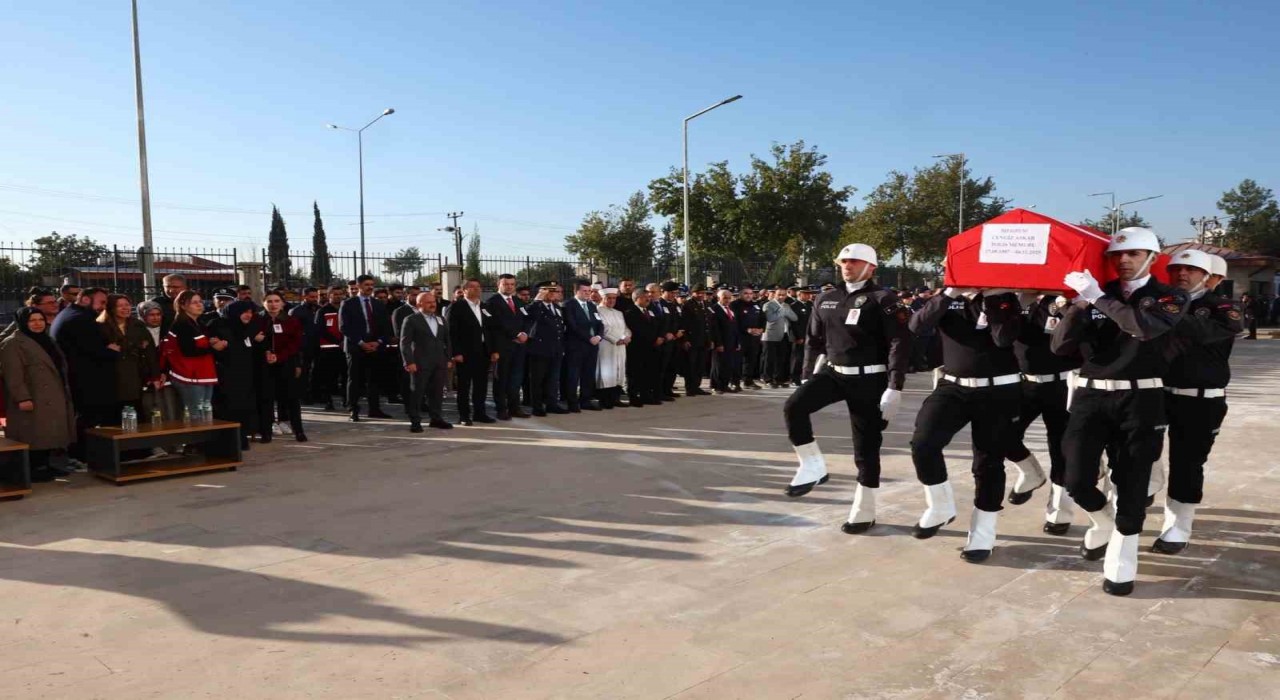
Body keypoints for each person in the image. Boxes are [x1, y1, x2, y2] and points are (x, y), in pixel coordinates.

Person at [1052, 227, 1188, 596]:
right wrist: (1079, 304)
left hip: (1141, 400)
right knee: (1076, 478)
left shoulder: (1170, 296)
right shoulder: (1097, 295)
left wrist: (1096, 297)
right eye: (1117, 255)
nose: (1124, 261)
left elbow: (1143, 328)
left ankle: (1122, 562)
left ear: (1152, 258)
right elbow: (1061, 346)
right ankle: (1102, 521)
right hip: (1090, 397)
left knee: (1131, 481)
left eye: (1133, 254)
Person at [783, 244, 912, 538]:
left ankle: (864, 510)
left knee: (866, 447)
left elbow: (899, 344)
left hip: (871, 379)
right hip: (834, 373)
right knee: (794, 406)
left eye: (854, 261)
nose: (847, 266)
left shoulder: (884, 300)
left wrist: (895, 386)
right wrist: (806, 376)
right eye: (843, 261)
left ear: (871, 267)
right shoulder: (827, 297)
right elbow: (814, 340)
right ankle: (812, 466)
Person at [906, 278, 1022, 562]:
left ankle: (983, 532)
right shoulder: (949, 298)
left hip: (998, 389)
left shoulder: (1006, 297)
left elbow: (1002, 338)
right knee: (924, 442)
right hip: (953, 386)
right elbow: (916, 326)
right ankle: (940, 506)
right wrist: (948, 293)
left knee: (988, 462)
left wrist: (993, 298)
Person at [1149, 249, 1241, 554]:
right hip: (1158, 393)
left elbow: (1205, 332)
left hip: (1200, 401)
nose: (1181, 275)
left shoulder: (1221, 307)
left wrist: (1166, 311)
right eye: (1175, 270)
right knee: (1138, 450)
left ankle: (1178, 526)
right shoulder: (1161, 301)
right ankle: (1150, 481)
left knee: (1187, 464)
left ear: (1206, 276)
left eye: (1190, 270)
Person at [1004, 293, 1079, 535]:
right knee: (1001, 434)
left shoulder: (1065, 300)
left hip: (1062, 384)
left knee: (1061, 450)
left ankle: (1059, 513)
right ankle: (1030, 473)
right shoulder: (1014, 300)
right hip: (1024, 384)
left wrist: (1066, 305)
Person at [0, 308, 77, 482]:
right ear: (22, 323)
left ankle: (48, 465)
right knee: (34, 434)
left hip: (52, 394)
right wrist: (22, 397)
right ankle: (34, 468)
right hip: (33, 396)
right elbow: (13, 374)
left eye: (40, 319)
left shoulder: (47, 340)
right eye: (32, 320)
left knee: (49, 432)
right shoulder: (13, 343)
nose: (37, 324)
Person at [50, 287, 119, 462]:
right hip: (86, 379)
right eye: (102, 302)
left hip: (80, 377)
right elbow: (96, 350)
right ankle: (80, 455)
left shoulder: (69, 314)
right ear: (87, 300)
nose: (103, 307)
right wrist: (112, 350)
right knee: (86, 418)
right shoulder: (80, 319)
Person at [444, 278, 499, 425]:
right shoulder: (456, 307)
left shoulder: (485, 307)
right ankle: (464, 415)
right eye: (472, 287)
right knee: (464, 386)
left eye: (478, 287)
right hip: (465, 353)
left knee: (481, 385)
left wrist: (494, 350)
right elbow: (451, 332)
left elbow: (491, 330)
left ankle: (480, 413)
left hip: (483, 351)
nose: (477, 289)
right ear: (465, 290)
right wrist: (456, 353)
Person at [339, 274, 392, 421]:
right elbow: (344, 327)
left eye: (372, 284)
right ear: (359, 286)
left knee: (374, 379)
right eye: (367, 284)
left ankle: (374, 409)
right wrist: (361, 343)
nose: (370, 287)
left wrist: (379, 342)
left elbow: (386, 327)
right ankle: (353, 409)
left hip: (375, 347)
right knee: (354, 379)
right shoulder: (348, 304)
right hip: (356, 347)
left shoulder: (378, 304)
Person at [211, 300, 263, 449]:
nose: (248, 315)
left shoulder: (249, 327)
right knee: (229, 408)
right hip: (227, 376)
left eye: (250, 312)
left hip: (246, 375)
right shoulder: (219, 326)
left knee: (244, 408)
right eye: (245, 312)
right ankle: (230, 441)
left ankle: (242, 438)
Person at [97, 293, 156, 425]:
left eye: (127, 305)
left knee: (135, 408)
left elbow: (149, 349)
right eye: (120, 306)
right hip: (112, 375)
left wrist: (154, 374)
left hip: (134, 373)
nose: (125, 308)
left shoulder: (137, 325)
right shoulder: (101, 326)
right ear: (111, 308)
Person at [163, 290, 221, 419]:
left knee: (206, 410)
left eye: (200, 301)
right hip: (189, 376)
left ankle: (206, 438)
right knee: (196, 413)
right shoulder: (182, 325)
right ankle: (196, 439)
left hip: (203, 374)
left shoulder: (198, 323)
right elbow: (188, 351)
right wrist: (213, 347)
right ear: (183, 306)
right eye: (194, 303)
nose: (199, 305)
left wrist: (211, 342)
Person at [401, 291, 454, 432]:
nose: (433, 304)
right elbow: (405, 343)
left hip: (439, 362)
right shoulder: (411, 320)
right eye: (428, 302)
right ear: (419, 304)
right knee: (417, 393)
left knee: (437, 392)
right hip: (419, 363)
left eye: (434, 301)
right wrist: (408, 362)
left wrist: (448, 358)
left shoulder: (440, 319)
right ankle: (415, 421)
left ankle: (436, 418)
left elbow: (447, 341)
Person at [260, 292, 307, 442]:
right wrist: (266, 353)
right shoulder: (258, 319)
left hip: (286, 363)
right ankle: (266, 432)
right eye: (269, 301)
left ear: (282, 303)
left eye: (276, 301)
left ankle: (298, 431)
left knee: (291, 398)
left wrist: (279, 357)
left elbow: (295, 343)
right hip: (264, 365)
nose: (273, 304)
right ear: (263, 303)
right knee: (266, 399)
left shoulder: (291, 320)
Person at [485, 273, 530, 420]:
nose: (509, 287)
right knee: (501, 380)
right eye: (506, 284)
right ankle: (501, 409)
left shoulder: (517, 301)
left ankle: (514, 407)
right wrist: (516, 335)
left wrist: (524, 333)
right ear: (498, 284)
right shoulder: (492, 302)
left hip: (519, 348)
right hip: (502, 348)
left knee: (516, 380)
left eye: (512, 284)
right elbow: (496, 324)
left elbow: (525, 319)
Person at [524, 281, 568, 416]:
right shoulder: (536, 306)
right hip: (540, 349)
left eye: (554, 291)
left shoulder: (556, 307)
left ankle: (552, 404)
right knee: (537, 380)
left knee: (553, 379)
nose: (552, 293)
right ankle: (537, 406)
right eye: (549, 290)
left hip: (555, 349)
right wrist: (538, 299)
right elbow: (530, 315)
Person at [563, 279, 604, 411]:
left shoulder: (592, 306)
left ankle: (585, 401)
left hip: (592, 346)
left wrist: (598, 336)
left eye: (589, 291)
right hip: (576, 346)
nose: (587, 293)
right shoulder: (568, 305)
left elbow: (600, 323)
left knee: (588, 374)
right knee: (573, 375)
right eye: (584, 291)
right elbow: (572, 325)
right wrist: (589, 338)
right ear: (576, 291)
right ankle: (572, 403)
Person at [136, 300, 181, 422]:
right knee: (152, 413)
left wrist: (164, 373)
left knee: (170, 411)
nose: (156, 318)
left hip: (167, 378)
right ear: (142, 316)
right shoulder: (137, 332)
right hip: (146, 380)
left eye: (158, 314)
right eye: (151, 315)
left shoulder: (169, 331)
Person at [623, 289, 663, 407]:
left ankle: (646, 395)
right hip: (637, 348)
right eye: (645, 297)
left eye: (649, 297)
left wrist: (659, 337)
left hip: (651, 348)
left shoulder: (649, 311)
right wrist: (653, 339)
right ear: (637, 298)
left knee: (648, 372)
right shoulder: (630, 312)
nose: (648, 299)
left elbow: (656, 325)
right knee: (635, 373)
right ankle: (634, 397)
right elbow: (637, 329)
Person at [595, 289, 631, 408]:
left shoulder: (618, 313)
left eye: (614, 298)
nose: (611, 300)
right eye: (608, 298)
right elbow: (604, 328)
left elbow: (625, 328)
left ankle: (616, 398)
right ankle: (605, 400)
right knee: (606, 373)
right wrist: (620, 338)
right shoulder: (598, 310)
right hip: (607, 346)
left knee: (618, 371)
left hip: (621, 347)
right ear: (602, 298)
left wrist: (627, 337)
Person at [312, 286, 346, 411]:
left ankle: (346, 400)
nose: (338, 296)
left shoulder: (346, 309)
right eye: (335, 294)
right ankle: (328, 401)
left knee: (346, 376)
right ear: (329, 295)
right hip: (328, 349)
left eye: (340, 294)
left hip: (345, 349)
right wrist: (338, 341)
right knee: (328, 377)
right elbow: (320, 330)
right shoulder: (322, 311)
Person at [679, 284, 713, 396]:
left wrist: (710, 339)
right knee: (691, 365)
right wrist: (685, 340)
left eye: (702, 293)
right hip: (692, 340)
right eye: (698, 293)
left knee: (700, 364)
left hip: (704, 339)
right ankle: (690, 387)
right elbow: (684, 324)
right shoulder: (688, 305)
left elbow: (708, 324)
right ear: (692, 293)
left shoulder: (706, 304)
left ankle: (697, 386)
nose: (701, 295)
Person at [762, 287, 798, 387]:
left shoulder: (786, 305)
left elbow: (794, 318)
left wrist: (787, 311)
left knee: (781, 358)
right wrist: (781, 312)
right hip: (771, 335)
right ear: (774, 294)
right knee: (770, 359)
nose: (781, 297)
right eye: (779, 294)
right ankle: (768, 379)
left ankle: (779, 379)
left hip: (784, 335)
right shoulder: (768, 305)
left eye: (783, 295)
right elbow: (770, 318)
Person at [731, 285, 765, 388]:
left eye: (750, 293)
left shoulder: (756, 305)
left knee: (751, 360)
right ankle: (734, 382)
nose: (749, 296)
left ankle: (748, 381)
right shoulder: (734, 305)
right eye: (746, 293)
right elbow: (735, 321)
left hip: (754, 337)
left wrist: (761, 329)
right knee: (737, 360)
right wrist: (747, 329)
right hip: (740, 337)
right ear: (741, 294)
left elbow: (763, 318)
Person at [709, 289, 742, 394]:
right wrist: (718, 343)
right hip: (721, 341)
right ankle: (716, 386)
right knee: (718, 365)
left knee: (728, 364)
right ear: (719, 298)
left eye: (729, 298)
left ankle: (724, 385)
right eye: (725, 298)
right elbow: (715, 328)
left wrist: (737, 341)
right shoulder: (714, 309)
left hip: (731, 341)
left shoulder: (730, 309)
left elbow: (735, 326)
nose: (727, 300)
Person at [654, 281, 683, 400]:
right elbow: (657, 323)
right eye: (671, 292)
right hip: (664, 342)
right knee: (662, 367)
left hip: (675, 340)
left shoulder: (675, 304)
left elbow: (680, 319)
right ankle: (659, 391)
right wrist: (664, 334)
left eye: (675, 293)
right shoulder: (658, 304)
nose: (673, 295)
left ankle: (668, 389)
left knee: (673, 366)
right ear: (663, 292)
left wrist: (680, 331)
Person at [789, 286, 814, 384]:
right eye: (806, 293)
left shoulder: (810, 304)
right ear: (799, 294)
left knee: (807, 357)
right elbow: (794, 323)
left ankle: (804, 376)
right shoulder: (794, 306)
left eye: (809, 293)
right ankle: (794, 377)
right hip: (799, 336)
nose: (809, 295)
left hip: (809, 335)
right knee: (797, 358)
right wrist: (798, 337)